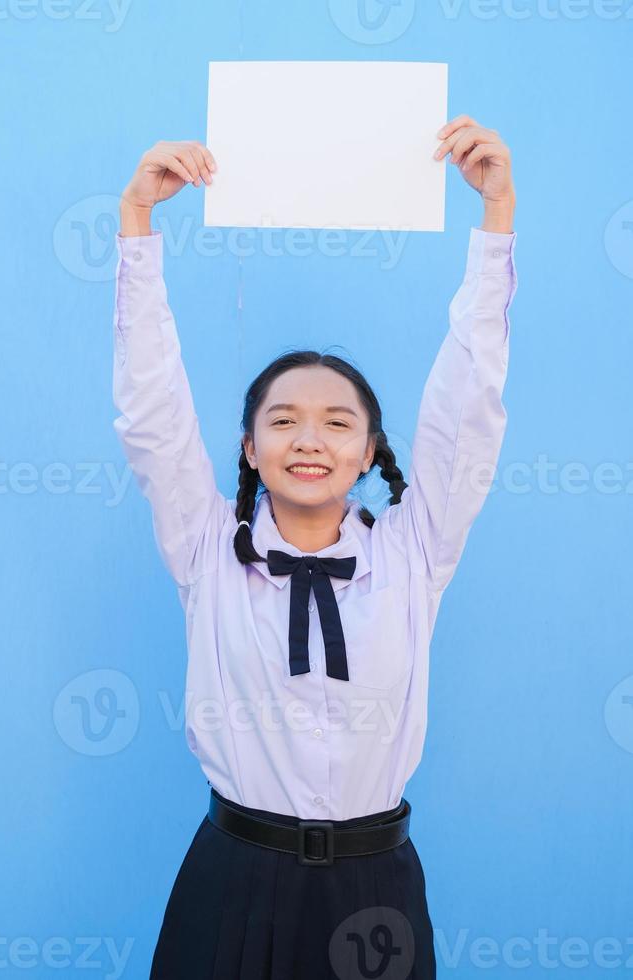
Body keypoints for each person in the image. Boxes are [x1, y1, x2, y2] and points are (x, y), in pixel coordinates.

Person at [112, 115, 517, 980]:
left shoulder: (413, 554)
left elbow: (466, 413)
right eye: (283, 420)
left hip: (374, 891)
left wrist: (495, 224)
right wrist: (139, 226)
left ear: (369, 453)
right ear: (250, 449)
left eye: (338, 423)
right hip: (233, 877)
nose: (309, 438)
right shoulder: (206, 545)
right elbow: (152, 414)